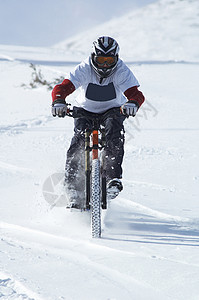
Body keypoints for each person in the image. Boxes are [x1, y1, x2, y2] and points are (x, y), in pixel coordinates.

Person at [51, 36, 145, 208]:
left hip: (113, 111)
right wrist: (58, 101)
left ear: (116, 58)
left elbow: (136, 94)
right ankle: (72, 188)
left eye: (109, 61)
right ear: (93, 57)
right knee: (78, 141)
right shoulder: (84, 68)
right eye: (101, 60)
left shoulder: (121, 71)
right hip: (84, 110)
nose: (104, 66)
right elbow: (62, 88)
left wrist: (132, 103)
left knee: (114, 135)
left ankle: (112, 180)